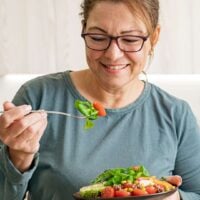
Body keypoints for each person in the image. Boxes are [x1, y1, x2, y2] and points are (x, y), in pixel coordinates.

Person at [0, 0, 200, 199]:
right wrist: (19, 157)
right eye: (97, 37)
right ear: (83, 29)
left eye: (130, 40)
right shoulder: (37, 97)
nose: (113, 55)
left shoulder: (176, 114)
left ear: (154, 38)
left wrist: (175, 197)